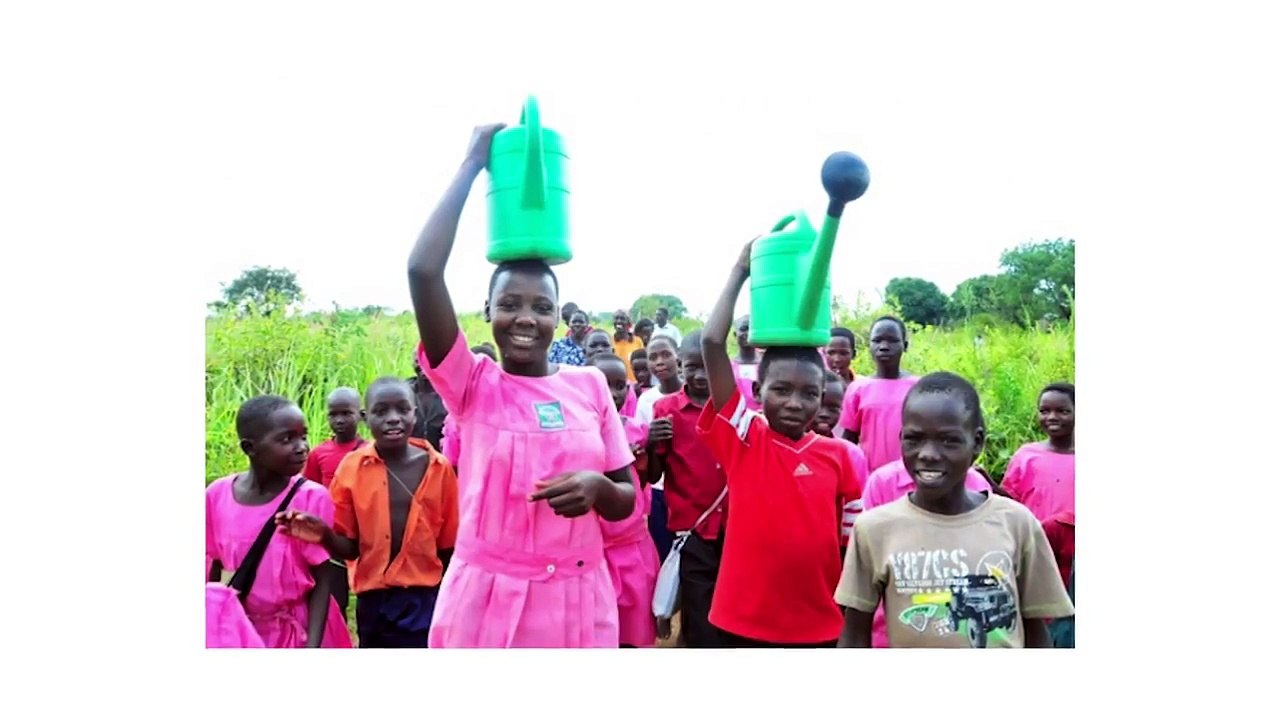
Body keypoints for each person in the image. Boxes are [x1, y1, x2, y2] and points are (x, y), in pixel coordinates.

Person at [404, 122, 636, 648]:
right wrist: (470, 164)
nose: (525, 318)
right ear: (488, 311)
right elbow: (422, 271)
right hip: (488, 599)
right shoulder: (472, 384)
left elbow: (626, 498)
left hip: (577, 596)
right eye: (509, 304)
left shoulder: (591, 387)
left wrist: (599, 489)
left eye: (541, 306)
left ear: (560, 315)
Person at [835, 372, 1074, 648]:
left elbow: (1036, 629)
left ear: (977, 442)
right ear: (901, 439)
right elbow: (854, 633)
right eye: (914, 439)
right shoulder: (873, 529)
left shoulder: (1017, 523)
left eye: (949, 440)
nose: (928, 454)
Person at [696, 240, 858, 648]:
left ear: (824, 397)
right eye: (781, 389)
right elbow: (712, 345)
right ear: (757, 389)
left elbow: (850, 545)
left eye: (809, 393)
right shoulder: (744, 436)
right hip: (742, 620)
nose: (794, 403)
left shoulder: (841, 456)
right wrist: (739, 270)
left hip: (819, 623)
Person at [278, 378, 460, 648]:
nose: (393, 419)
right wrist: (325, 534)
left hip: (425, 597)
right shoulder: (351, 469)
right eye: (381, 411)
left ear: (415, 412)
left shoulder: (439, 468)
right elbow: (349, 548)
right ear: (366, 417)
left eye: (402, 409)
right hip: (374, 599)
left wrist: (445, 593)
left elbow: (448, 545)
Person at [205, 395, 351, 648]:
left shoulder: (311, 497)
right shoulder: (216, 496)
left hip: (302, 630)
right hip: (241, 628)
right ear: (250, 448)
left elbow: (322, 578)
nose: (302, 447)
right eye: (287, 439)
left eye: (303, 436)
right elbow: (212, 569)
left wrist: (312, 646)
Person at [648, 330, 730, 647]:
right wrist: (653, 444)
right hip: (692, 532)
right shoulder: (666, 410)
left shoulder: (732, 407)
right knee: (699, 613)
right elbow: (655, 473)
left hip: (734, 529)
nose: (698, 375)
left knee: (730, 607)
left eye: (707, 366)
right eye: (691, 366)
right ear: (680, 365)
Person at [588, 353, 660, 648]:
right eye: (606, 385)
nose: (614, 394)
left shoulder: (636, 431)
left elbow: (648, 480)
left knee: (634, 629)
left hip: (632, 547)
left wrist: (650, 448)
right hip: (593, 548)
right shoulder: (577, 434)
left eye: (620, 386)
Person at [301, 386, 366, 615]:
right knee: (335, 593)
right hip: (333, 531)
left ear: (360, 415)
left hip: (364, 528)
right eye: (333, 414)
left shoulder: (370, 451)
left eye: (346, 413)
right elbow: (309, 492)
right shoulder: (319, 454)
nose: (339, 420)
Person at [838, 316, 918, 473]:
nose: (884, 347)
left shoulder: (918, 388)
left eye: (892, 340)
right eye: (877, 340)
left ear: (905, 345)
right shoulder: (857, 389)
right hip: (869, 478)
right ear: (869, 346)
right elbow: (849, 439)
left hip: (910, 477)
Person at [1001, 383, 1075, 523]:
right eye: (1044, 411)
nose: (1052, 417)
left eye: (1063, 411)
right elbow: (1008, 502)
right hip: (1033, 540)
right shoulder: (1025, 456)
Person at [813, 370, 869, 553]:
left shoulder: (852, 454)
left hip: (836, 550)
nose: (824, 414)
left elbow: (855, 510)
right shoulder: (785, 449)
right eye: (819, 405)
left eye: (834, 408)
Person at [634, 336, 682, 425]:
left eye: (666, 355)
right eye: (652, 358)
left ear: (678, 356)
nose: (659, 362)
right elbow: (641, 434)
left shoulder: (692, 392)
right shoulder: (645, 400)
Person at [408, 355, 448, 452]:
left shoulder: (449, 394)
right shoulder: (404, 392)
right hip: (409, 459)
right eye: (418, 361)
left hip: (442, 460)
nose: (423, 365)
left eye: (428, 360)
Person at [612, 310, 646, 383]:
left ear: (628, 323)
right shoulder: (609, 342)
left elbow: (643, 363)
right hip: (617, 385)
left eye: (622, 319)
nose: (619, 321)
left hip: (635, 383)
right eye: (616, 318)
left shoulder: (637, 341)